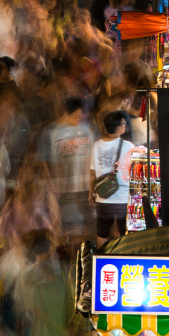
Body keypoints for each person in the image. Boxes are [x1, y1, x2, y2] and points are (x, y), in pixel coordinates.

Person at [38, 96, 95, 241]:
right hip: (63, 190)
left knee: (84, 230)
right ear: (66, 113)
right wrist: (51, 183)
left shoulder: (88, 128)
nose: (78, 118)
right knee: (64, 231)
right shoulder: (51, 131)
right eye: (75, 115)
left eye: (81, 115)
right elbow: (43, 160)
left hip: (84, 189)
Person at [89, 109, 135, 246]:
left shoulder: (97, 145)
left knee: (102, 231)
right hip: (122, 196)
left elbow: (92, 173)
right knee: (123, 231)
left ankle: (101, 259)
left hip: (103, 195)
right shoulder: (128, 146)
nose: (125, 125)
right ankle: (123, 260)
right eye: (123, 123)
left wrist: (91, 193)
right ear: (117, 128)